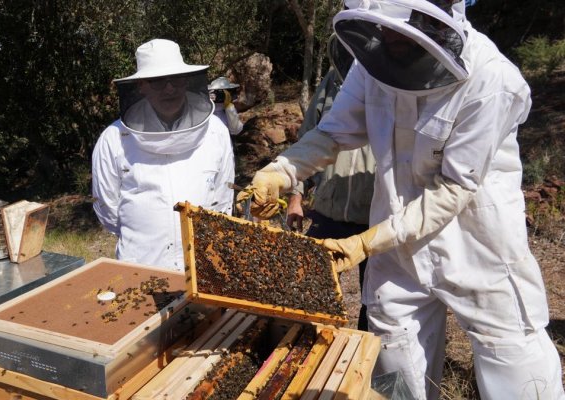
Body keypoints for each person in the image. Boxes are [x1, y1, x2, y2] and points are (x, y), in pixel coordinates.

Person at [238, 1, 565, 399]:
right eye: (380, 27)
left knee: (509, 351)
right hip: (395, 240)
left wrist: (364, 242)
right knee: (393, 345)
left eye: (399, 29)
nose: (389, 39)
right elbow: (334, 133)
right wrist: (282, 170)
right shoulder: (374, 64)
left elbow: (456, 187)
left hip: (477, 240)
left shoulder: (492, 79)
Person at [92, 39, 234, 271]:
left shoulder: (216, 130)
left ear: (187, 80)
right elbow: (108, 210)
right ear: (141, 86)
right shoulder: (113, 139)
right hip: (141, 267)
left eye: (175, 78)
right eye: (156, 81)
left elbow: (223, 199)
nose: (169, 88)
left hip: (204, 265)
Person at [286, 33, 375, 331]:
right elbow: (309, 138)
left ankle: (366, 361)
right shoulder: (332, 83)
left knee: (377, 300)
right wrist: (296, 197)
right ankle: (308, 345)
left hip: (376, 216)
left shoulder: (395, 86)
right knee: (310, 282)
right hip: (328, 207)